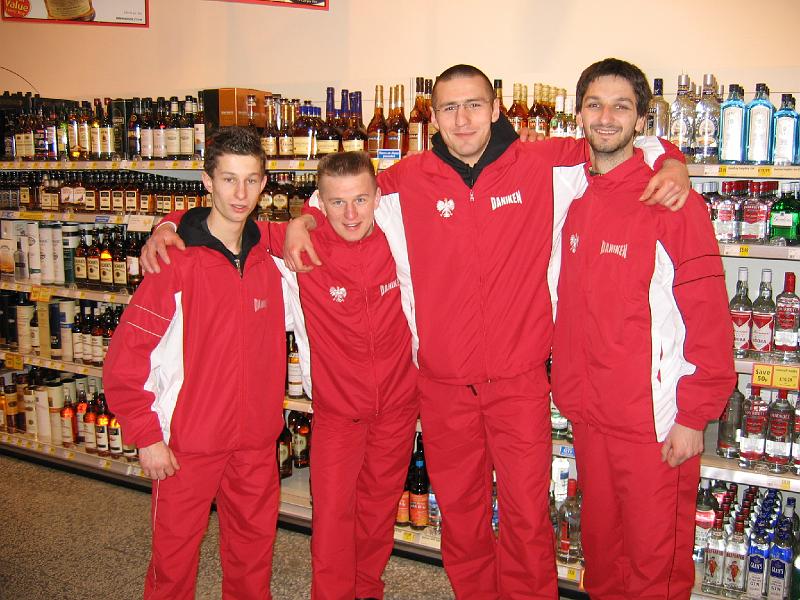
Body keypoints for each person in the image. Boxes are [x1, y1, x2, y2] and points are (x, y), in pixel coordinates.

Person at [142, 64, 691, 599]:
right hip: (443, 388)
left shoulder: (542, 162)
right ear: (433, 117)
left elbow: (615, 141)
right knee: (462, 517)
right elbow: (323, 200)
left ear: (495, 109)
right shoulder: (405, 180)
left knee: (527, 517)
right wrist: (176, 224)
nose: (462, 119)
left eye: (473, 105)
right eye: (449, 108)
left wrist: (673, 160)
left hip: (519, 385)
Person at [144, 151, 418, 600]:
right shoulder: (302, 247)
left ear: (377, 197)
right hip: (337, 415)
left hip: (399, 408)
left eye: (360, 200)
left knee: (378, 516)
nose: (351, 214)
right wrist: (167, 224)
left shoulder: (398, 237)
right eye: (337, 202)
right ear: (320, 203)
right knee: (332, 522)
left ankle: (368, 590)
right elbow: (224, 221)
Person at [550, 58, 735, 599]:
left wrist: (693, 416)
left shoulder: (671, 202)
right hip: (589, 416)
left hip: (653, 424)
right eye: (594, 105)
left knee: (655, 567)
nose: (606, 117)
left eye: (621, 106)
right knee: (603, 557)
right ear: (578, 114)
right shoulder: (572, 195)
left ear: (641, 120)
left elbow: (709, 318)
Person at [103, 126, 287, 600]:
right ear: (207, 182)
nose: (240, 194)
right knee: (173, 562)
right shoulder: (175, 262)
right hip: (188, 445)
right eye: (228, 179)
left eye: (251, 180)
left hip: (255, 444)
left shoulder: (269, 258)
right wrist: (146, 436)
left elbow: (334, 217)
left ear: (265, 184)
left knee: (253, 558)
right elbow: (124, 360)